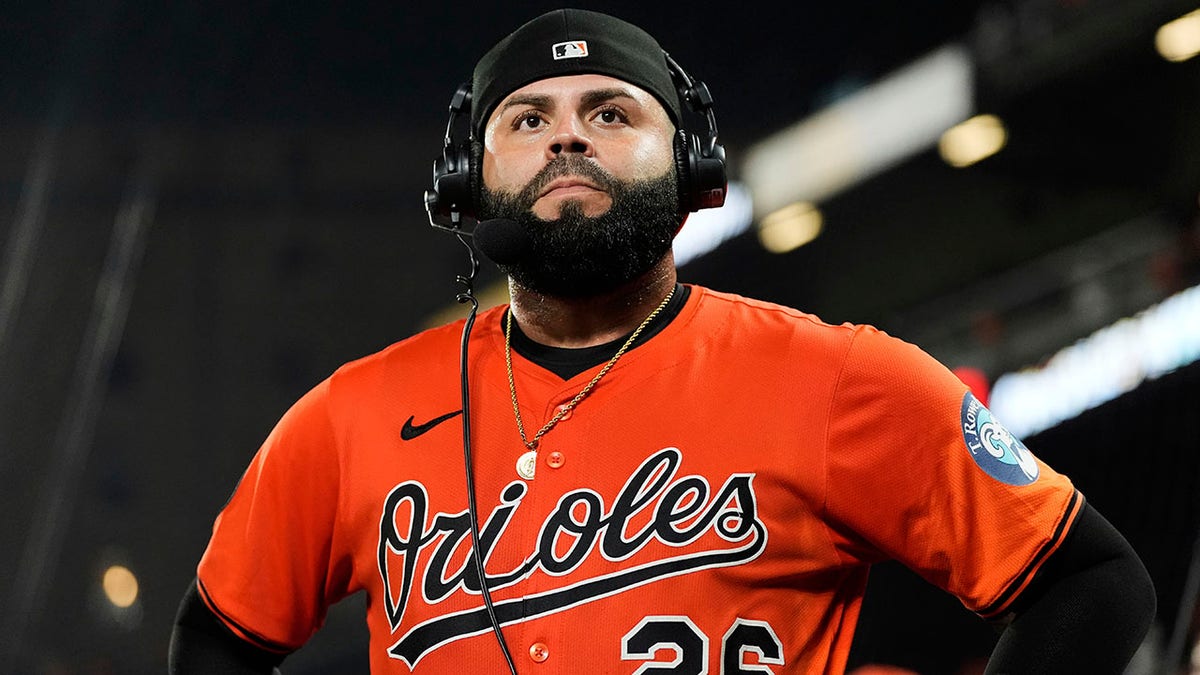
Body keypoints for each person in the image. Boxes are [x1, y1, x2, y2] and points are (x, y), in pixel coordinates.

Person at [169, 8, 1156, 674]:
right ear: (469, 179)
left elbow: (1096, 582)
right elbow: (218, 637)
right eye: (527, 119)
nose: (567, 138)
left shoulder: (837, 377)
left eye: (610, 112)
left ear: (691, 167)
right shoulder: (352, 416)